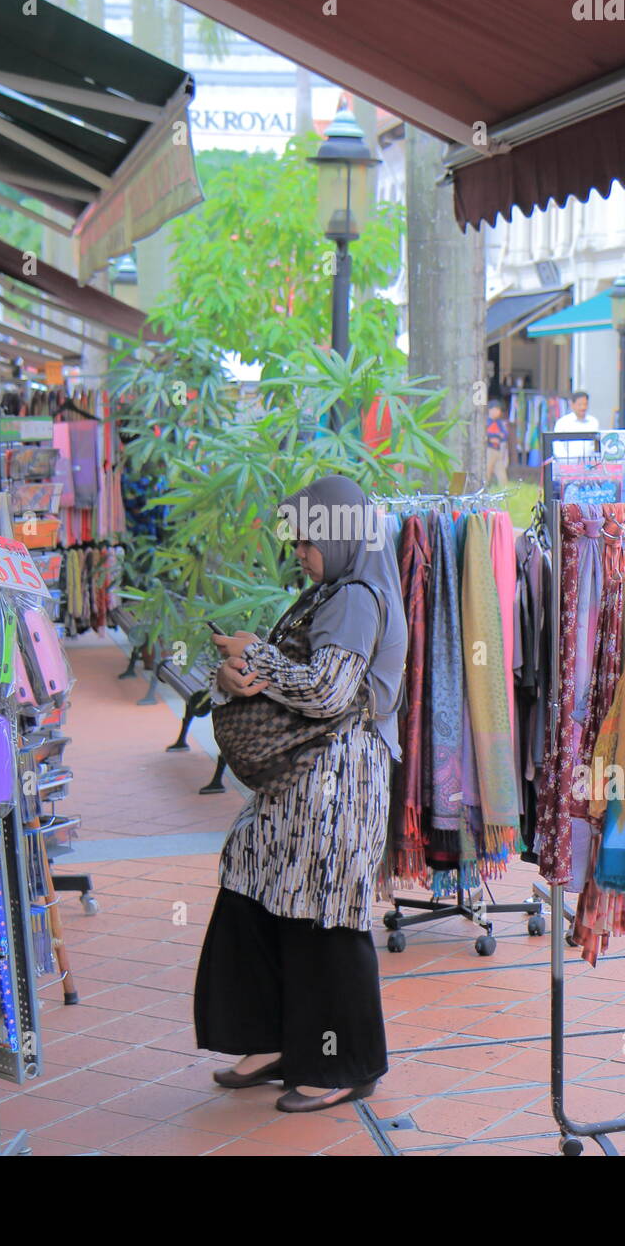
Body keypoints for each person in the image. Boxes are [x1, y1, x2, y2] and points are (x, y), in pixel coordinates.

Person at [194, 474, 406, 1113]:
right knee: (254, 882)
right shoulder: (336, 591)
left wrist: (256, 656)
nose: (300, 553)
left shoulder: (356, 598)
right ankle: (276, 1038)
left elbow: (328, 692)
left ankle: (343, 1063)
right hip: (305, 780)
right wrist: (237, 674)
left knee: (321, 912)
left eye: (309, 540)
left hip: (336, 783)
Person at [552, 389, 600, 460]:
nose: (583, 407)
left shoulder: (593, 422)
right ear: (572, 405)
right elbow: (558, 447)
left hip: (589, 466)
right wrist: (568, 462)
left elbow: (597, 446)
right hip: (568, 465)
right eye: (580, 404)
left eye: (585, 404)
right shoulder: (562, 422)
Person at [485, 399, 510, 486]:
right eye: (496, 409)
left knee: (501, 470)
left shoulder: (499, 423)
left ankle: (504, 487)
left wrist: (497, 436)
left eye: (499, 410)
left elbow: (505, 434)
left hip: (497, 450)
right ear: (490, 410)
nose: (498, 412)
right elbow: (485, 435)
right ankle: (484, 487)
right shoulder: (486, 422)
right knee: (487, 470)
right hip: (489, 449)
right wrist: (492, 437)